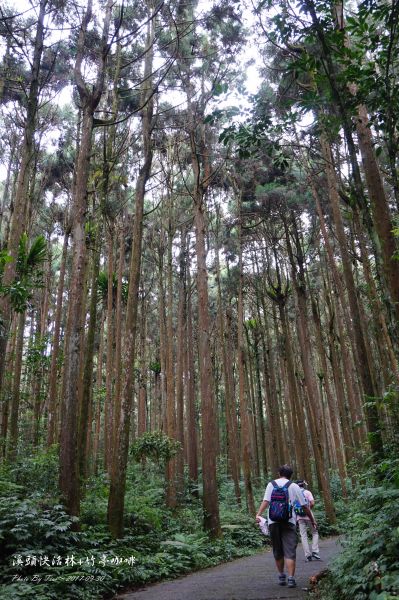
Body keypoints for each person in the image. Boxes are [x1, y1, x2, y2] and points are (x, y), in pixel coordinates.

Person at [256, 464, 317, 589]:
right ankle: (291, 579)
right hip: (289, 521)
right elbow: (305, 506)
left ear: (279, 473)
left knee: (277, 550)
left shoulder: (271, 484)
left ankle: (281, 576)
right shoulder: (294, 486)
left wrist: (258, 514)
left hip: (273, 521)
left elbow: (266, 501)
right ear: (291, 475)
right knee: (289, 550)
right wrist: (312, 520)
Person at [295, 480, 320, 561]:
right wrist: (308, 509)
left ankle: (307, 555)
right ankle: (315, 551)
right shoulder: (307, 492)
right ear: (303, 485)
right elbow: (312, 503)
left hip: (299, 517)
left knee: (303, 535)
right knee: (315, 532)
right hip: (309, 516)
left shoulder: (295, 494)